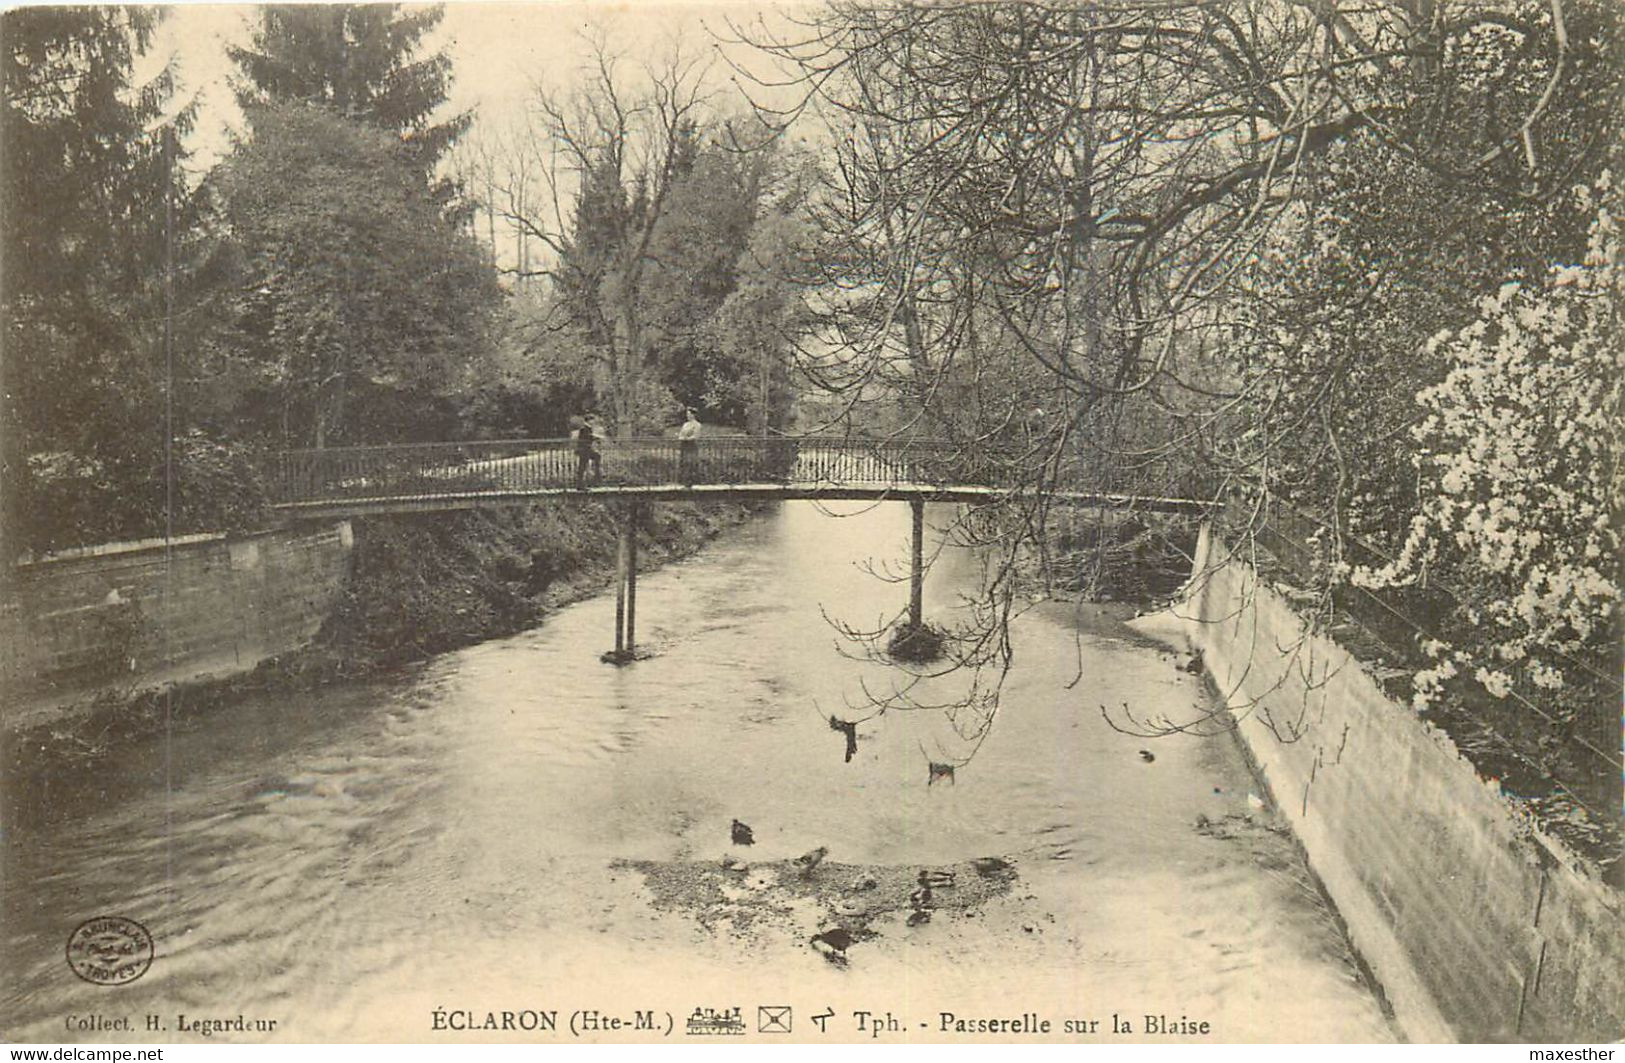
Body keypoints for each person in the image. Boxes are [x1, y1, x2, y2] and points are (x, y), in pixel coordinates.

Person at [574, 417, 602, 489]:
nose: (593, 422)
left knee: (596, 457)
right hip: (584, 450)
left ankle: (595, 477)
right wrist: (597, 437)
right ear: (589, 421)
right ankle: (582, 483)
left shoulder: (587, 428)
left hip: (586, 450)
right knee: (583, 466)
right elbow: (588, 437)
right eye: (592, 421)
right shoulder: (584, 429)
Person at [677, 408, 701, 484]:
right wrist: (681, 437)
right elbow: (680, 434)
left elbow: (696, 436)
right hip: (684, 445)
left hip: (691, 445)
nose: (687, 416)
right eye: (687, 414)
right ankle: (683, 481)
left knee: (691, 463)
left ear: (693, 415)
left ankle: (691, 481)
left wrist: (687, 438)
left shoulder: (697, 425)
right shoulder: (685, 424)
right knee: (683, 463)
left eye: (689, 414)